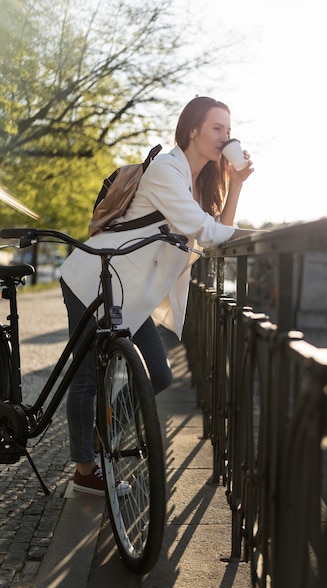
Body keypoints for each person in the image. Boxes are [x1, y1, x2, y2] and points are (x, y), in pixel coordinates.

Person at [59, 95, 254, 495]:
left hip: (130, 292)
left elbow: (216, 230)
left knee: (159, 374)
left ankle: (104, 430)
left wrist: (235, 185)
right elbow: (208, 231)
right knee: (85, 380)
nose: (225, 137)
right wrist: (254, 237)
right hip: (95, 277)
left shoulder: (196, 184)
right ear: (193, 131)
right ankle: (84, 471)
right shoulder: (167, 168)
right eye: (217, 128)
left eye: (229, 131)